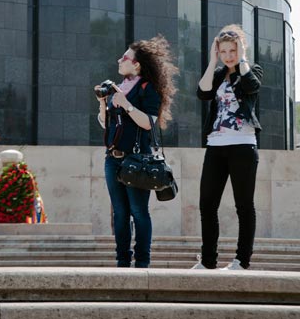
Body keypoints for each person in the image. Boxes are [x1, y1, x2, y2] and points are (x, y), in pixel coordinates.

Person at [95, 35, 178, 268]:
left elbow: (149, 123)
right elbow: (105, 123)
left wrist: (127, 105)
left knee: (139, 211)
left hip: (137, 159)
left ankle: (142, 261)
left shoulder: (146, 88)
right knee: (119, 213)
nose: (119, 60)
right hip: (113, 159)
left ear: (137, 64)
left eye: (125, 58)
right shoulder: (117, 88)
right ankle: (122, 260)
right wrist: (103, 102)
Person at [192, 24, 263, 270]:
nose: (228, 55)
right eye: (223, 51)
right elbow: (202, 93)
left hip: (243, 145)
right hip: (216, 145)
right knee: (207, 204)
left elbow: (252, 86)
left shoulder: (251, 69)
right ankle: (208, 262)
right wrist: (213, 62)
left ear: (241, 48)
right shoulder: (218, 73)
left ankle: (242, 261)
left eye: (232, 50)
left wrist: (242, 59)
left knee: (244, 205)